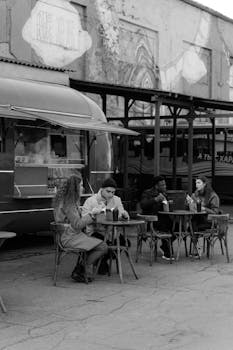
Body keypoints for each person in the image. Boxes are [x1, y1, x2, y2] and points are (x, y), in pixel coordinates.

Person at [53, 173, 108, 283]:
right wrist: (92, 214)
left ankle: (81, 269)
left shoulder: (65, 201)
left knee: (96, 242)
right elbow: (77, 224)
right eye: (81, 185)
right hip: (69, 237)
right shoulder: (69, 204)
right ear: (75, 188)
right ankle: (82, 269)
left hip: (68, 235)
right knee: (103, 246)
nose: (82, 188)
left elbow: (74, 220)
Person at [82, 177, 130, 273]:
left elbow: (121, 214)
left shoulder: (117, 200)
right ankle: (98, 261)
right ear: (101, 189)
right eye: (108, 191)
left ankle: (102, 260)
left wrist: (124, 216)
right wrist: (94, 213)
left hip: (112, 233)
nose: (111, 194)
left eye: (113, 192)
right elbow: (83, 219)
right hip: (95, 231)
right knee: (102, 242)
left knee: (125, 243)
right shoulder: (91, 201)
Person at [140, 175, 175, 260]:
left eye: (165, 184)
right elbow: (143, 205)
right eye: (162, 185)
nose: (165, 186)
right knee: (166, 226)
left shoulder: (164, 194)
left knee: (177, 228)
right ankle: (167, 251)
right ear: (156, 186)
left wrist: (169, 203)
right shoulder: (147, 193)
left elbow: (166, 209)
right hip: (151, 221)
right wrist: (156, 199)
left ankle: (165, 246)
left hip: (163, 219)